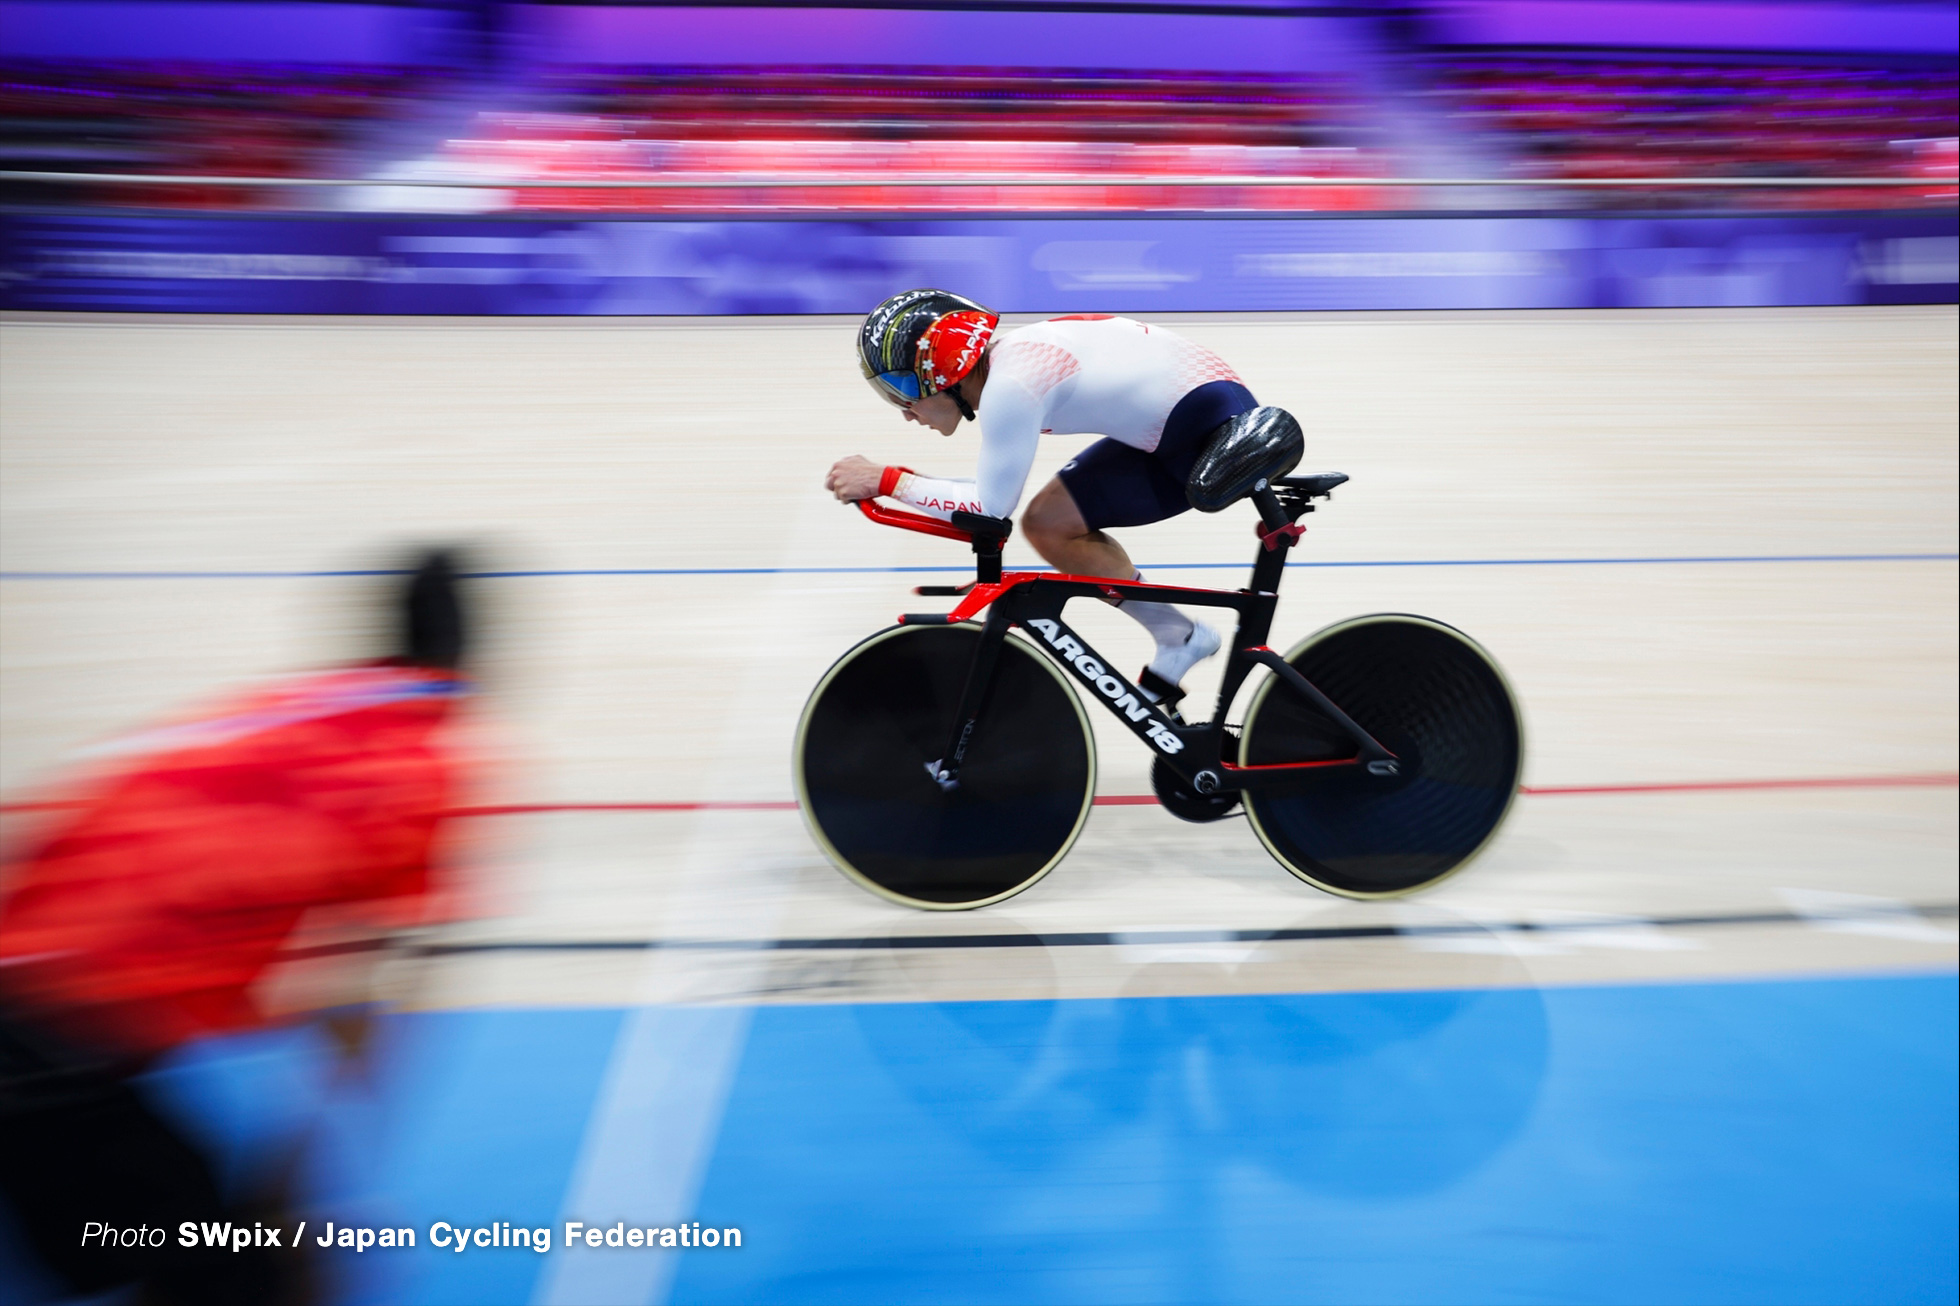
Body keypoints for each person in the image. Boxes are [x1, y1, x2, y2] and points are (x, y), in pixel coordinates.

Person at [0, 551, 473, 1305]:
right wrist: (307, 1169)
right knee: (256, 1272)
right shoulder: (425, 762)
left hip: (27, 991)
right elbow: (363, 1003)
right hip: (62, 1046)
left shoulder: (286, 706)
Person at [828, 289, 1260, 707]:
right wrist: (893, 481)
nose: (905, 410)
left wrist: (886, 481)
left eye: (902, 389)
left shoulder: (1011, 386)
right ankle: (1179, 635)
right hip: (1186, 414)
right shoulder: (1009, 363)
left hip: (1207, 434)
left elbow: (990, 508)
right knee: (1049, 524)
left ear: (941, 372)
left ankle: (1179, 634)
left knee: (1046, 523)